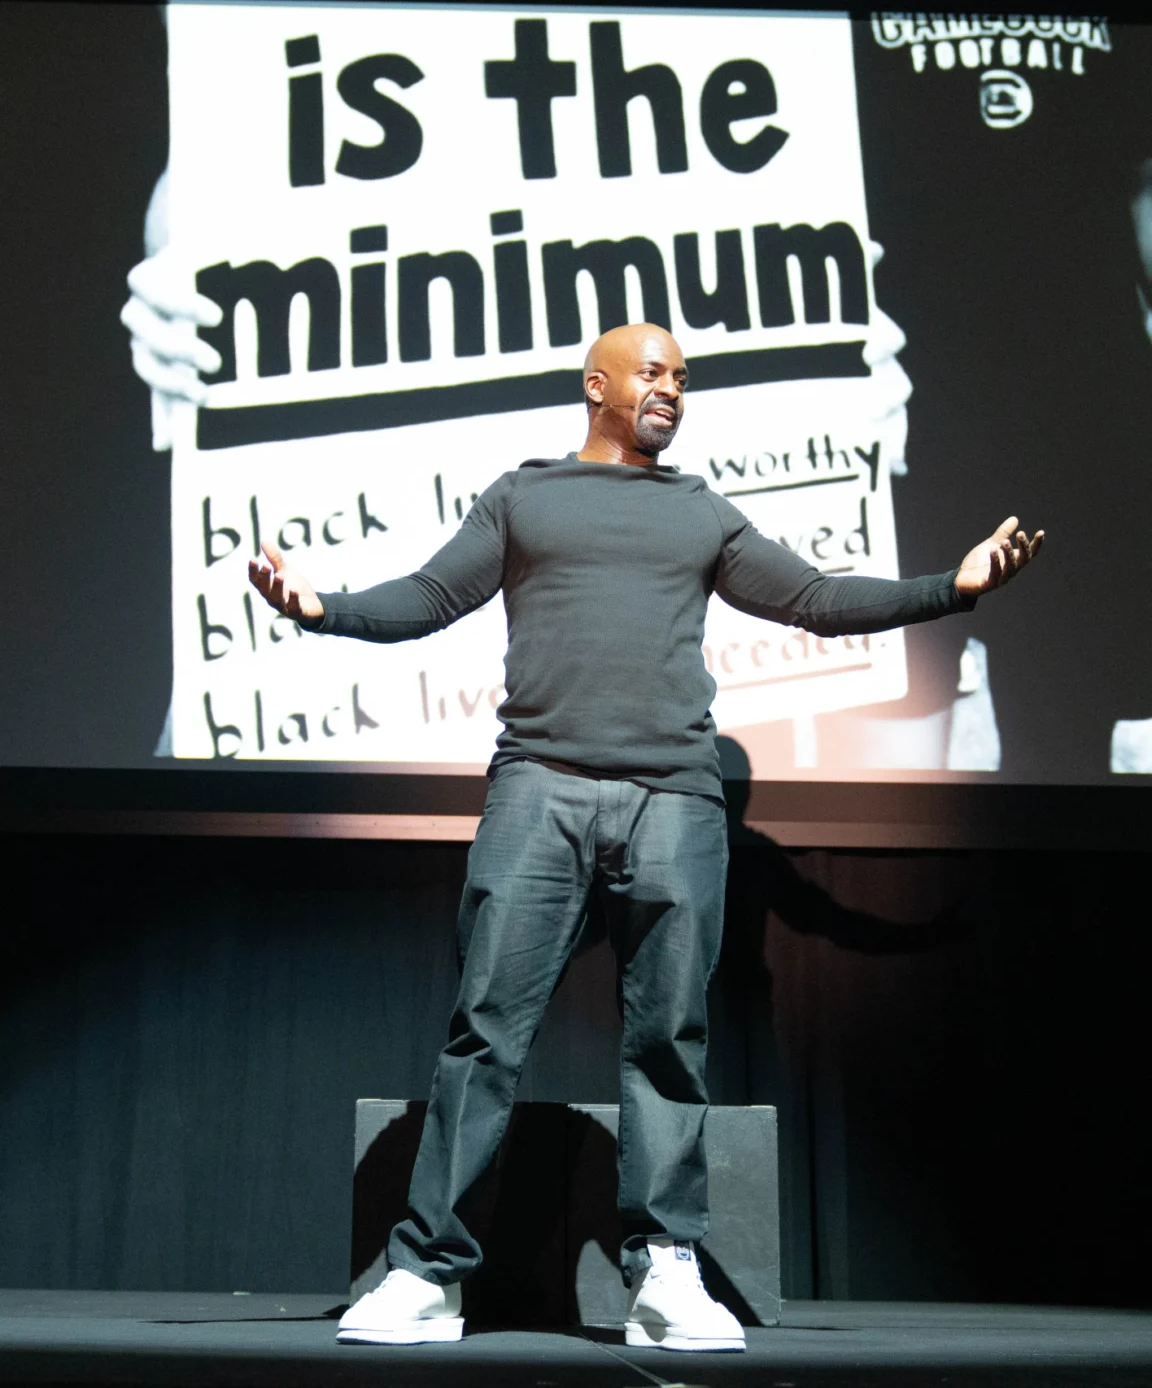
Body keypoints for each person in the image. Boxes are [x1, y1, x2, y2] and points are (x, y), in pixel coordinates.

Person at [247, 322, 1042, 1350]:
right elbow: (431, 597)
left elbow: (813, 598)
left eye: (682, 377)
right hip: (540, 788)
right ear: (598, 385)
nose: (670, 388)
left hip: (673, 797)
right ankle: (427, 1273)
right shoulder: (524, 497)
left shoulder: (699, 513)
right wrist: (321, 608)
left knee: (668, 1041)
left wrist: (955, 589)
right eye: (652, 372)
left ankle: (664, 1270)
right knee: (485, 1030)